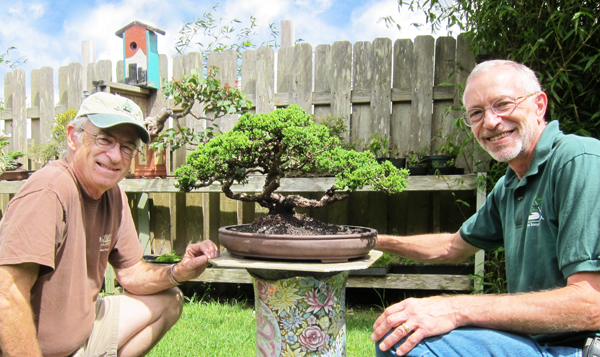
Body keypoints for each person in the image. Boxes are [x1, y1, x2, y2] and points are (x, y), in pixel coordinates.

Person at [371, 60, 600, 357]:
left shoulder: (579, 162)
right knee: (398, 331)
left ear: (539, 105)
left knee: (405, 344)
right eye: (476, 113)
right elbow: (452, 246)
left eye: (503, 104)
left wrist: (455, 307)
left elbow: (591, 304)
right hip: (534, 341)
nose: (490, 122)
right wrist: (373, 241)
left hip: (578, 348)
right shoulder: (510, 186)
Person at [0, 92, 219, 357]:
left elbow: (131, 273)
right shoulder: (50, 191)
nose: (115, 156)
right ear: (73, 137)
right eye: (105, 139)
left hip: (84, 333)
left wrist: (178, 272)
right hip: (32, 348)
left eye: (126, 147)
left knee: (169, 299)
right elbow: (6, 294)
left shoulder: (112, 195)